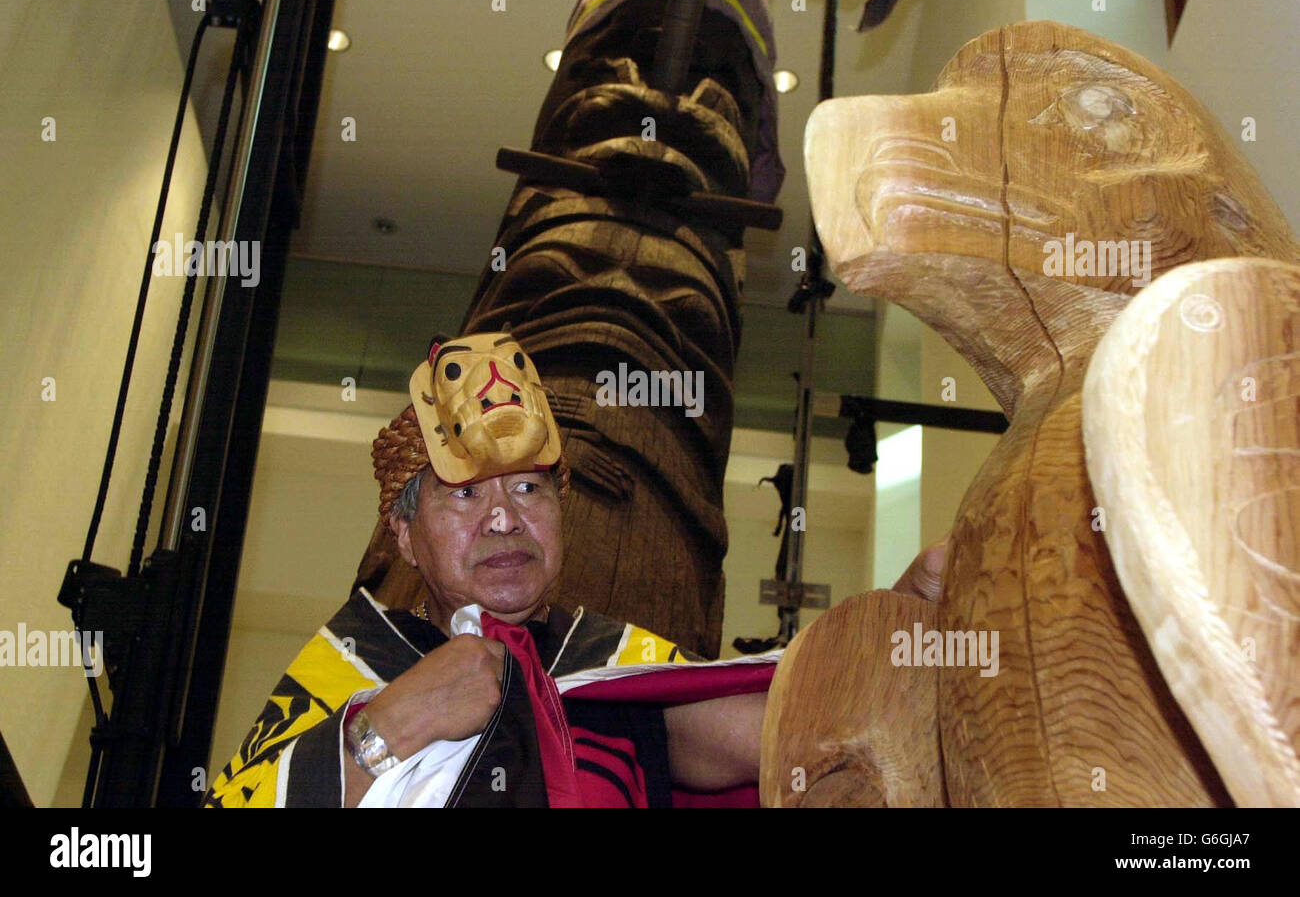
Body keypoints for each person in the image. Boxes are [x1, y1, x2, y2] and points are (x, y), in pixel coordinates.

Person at [206, 333, 946, 807]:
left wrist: (898, 628)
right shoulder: (352, 662)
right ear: (403, 535)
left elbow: (797, 728)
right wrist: (393, 725)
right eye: (465, 495)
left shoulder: (610, 666)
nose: (505, 518)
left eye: (530, 488)